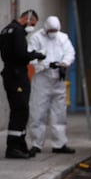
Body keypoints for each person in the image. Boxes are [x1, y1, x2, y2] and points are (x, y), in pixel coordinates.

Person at [0, 9, 46, 159]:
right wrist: (37, 55)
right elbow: (21, 54)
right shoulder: (17, 31)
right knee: (20, 110)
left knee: (19, 109)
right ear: (27, 18)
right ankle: (13, 147)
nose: (31, 27)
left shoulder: (5, 30)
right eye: (32, 23)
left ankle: (20, 146)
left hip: (10, 73)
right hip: (17, 75)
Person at [27, 16, 76, 157]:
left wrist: (64, 63)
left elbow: (70, 53)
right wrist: (47, 64)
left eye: (56, 30)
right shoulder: (36, 38)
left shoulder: (62, 38)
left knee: (59, 113)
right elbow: (31, 56)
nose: (53, 32)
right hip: (42, 78)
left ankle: (59, 144)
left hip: (58, 79)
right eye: (51, 30)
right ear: (46, 28)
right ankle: (36, 143)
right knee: (38, 112)